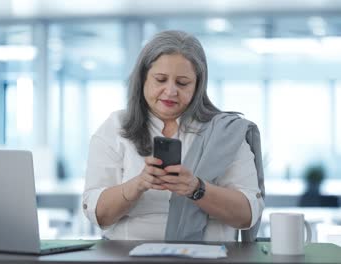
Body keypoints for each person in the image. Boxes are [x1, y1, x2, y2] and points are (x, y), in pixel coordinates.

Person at [82, 30, 264, 241]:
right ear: (143, 79)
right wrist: (138, 184)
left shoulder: (225, 132)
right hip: (128, 256)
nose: (170, 91)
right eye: (160, 80)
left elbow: (248, 214)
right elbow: (98, 215)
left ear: (198, 86)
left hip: (209, 256)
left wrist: (197, 189)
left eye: (182, 83)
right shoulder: (115, 128)